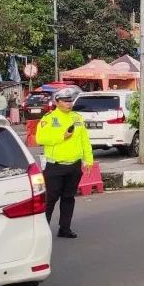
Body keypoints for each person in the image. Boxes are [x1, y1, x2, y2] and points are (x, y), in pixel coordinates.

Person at [34, 87, 93, 239]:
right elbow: (40, 139)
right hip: (55, 166)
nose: (69, 104)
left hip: (74, 165)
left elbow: (84, 141)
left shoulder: (77, 118)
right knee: (50, 199)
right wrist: (62, 136)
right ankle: (43, 230)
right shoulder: (49, 118)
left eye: (70, 101)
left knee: (68, 197)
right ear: (57, 102)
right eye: (65, 101)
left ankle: (64, 228)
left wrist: (89, 160)